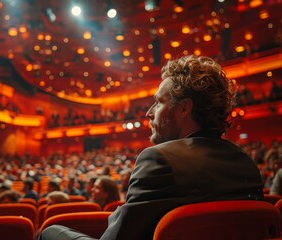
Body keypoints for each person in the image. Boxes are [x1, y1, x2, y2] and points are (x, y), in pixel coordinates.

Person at [39, 55, 264, 240]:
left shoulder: (159, 159)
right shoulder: (245, 163)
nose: (149, 113)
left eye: (158, 102)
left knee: (50, 232)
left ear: (184, 108)